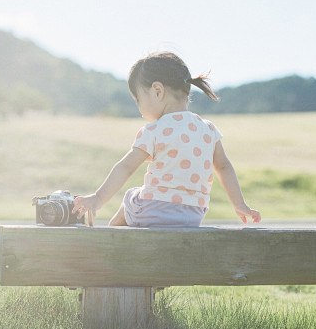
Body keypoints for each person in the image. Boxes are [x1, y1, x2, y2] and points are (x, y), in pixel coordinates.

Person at [72, 51, 260, 227]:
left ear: (157, 91)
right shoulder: (209, 130)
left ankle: (111, 244)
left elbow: (126, 167)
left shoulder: (154, 130)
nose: (139, 108)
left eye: (138, 100)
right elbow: (224, 167)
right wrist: (239, 204)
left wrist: (98, 198)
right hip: (193, 215)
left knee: (129, 200)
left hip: (154, 209)